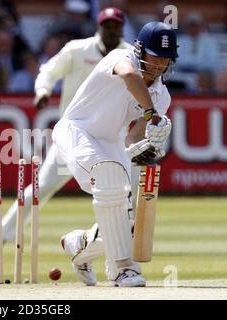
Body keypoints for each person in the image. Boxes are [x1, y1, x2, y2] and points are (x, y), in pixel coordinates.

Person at [0, 7, 132, 254]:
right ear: (98, 27)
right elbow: (49, 71)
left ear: (122, 28)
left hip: (110, 138)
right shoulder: (77, 50)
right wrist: (43, 91)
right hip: (73, 137)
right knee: (38, 189)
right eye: (107, 26)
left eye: (116, 26)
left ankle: (117, 243)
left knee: (124, 194)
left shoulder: (129, 54)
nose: (112, 30)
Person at [52, 21, 176, 286]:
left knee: (127, 221)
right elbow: (130, 76)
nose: (159, 64)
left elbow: (134, 135)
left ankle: (78, 244)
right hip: (77, 130)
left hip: (112, 142)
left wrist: (147, 147)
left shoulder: (161, 95)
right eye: (155, 56)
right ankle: (122, 269)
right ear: (141, 50)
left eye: (165, 59)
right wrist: (153, 115)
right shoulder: (121, 57)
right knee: (109, 180)